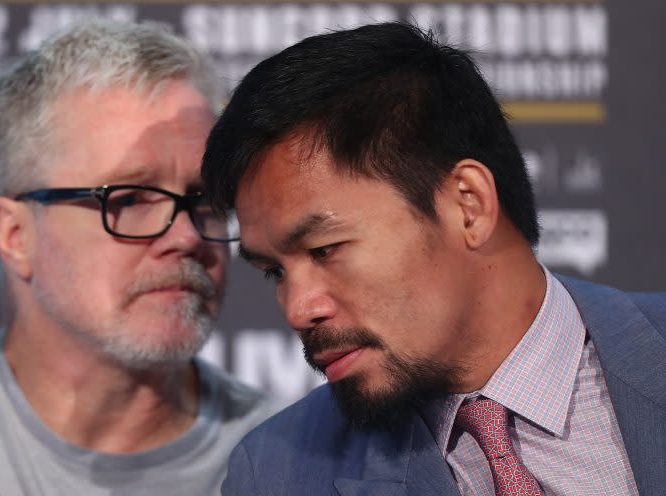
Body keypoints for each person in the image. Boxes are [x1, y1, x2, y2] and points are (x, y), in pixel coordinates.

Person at [201, 22, 666, 496]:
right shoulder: (277, 474)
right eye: (274, 272)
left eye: (325, 249)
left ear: (468, 205)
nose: (298, 309)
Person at [0, 19, 280, 496]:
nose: (184, 237)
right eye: (129, 199)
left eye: (205, 199)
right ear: (14, 235)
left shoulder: (291, 461)